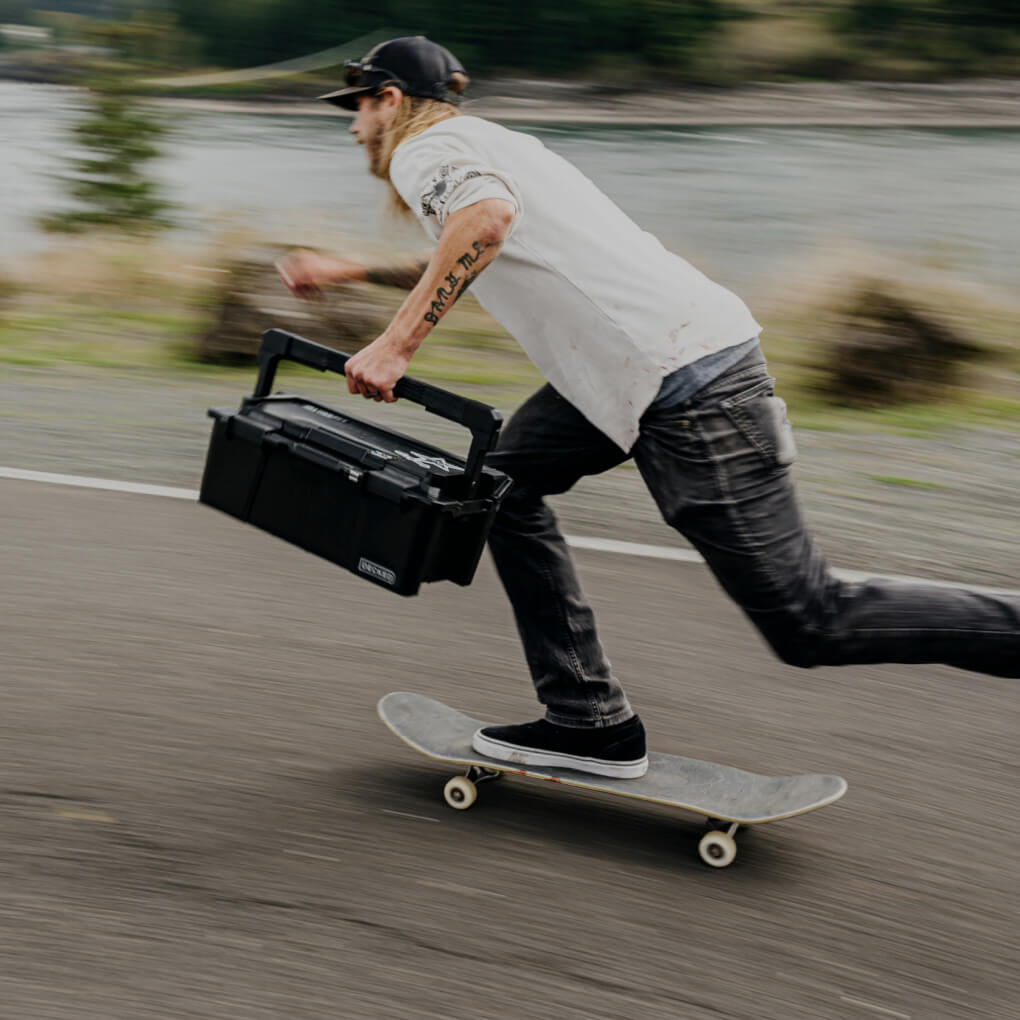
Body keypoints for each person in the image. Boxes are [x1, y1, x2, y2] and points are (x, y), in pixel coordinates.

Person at [278, 36, 1019, 780]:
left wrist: (396, 345)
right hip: (634, 371)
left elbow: (485, 224)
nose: (353, 128)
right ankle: (587, 718)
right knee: (498, 489)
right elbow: (478, 238)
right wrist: (352, 268)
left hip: (684, 386)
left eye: (359, 108)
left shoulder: (423, 150)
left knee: (809, 621)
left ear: (392, 101)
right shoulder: (487, 142)